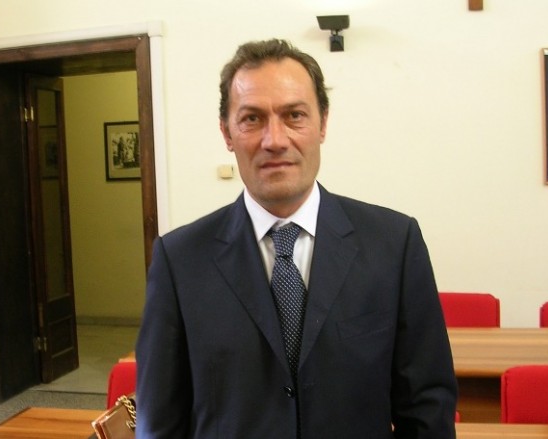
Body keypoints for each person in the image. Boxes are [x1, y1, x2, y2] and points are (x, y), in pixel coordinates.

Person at [135, 38, 457, 438]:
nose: (275, 140)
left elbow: (426, 407)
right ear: (227, 133)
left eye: (294, 115)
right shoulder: (179, 260)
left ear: (322, 124)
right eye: (252, 118)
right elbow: (160, 421)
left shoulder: (394, 244)